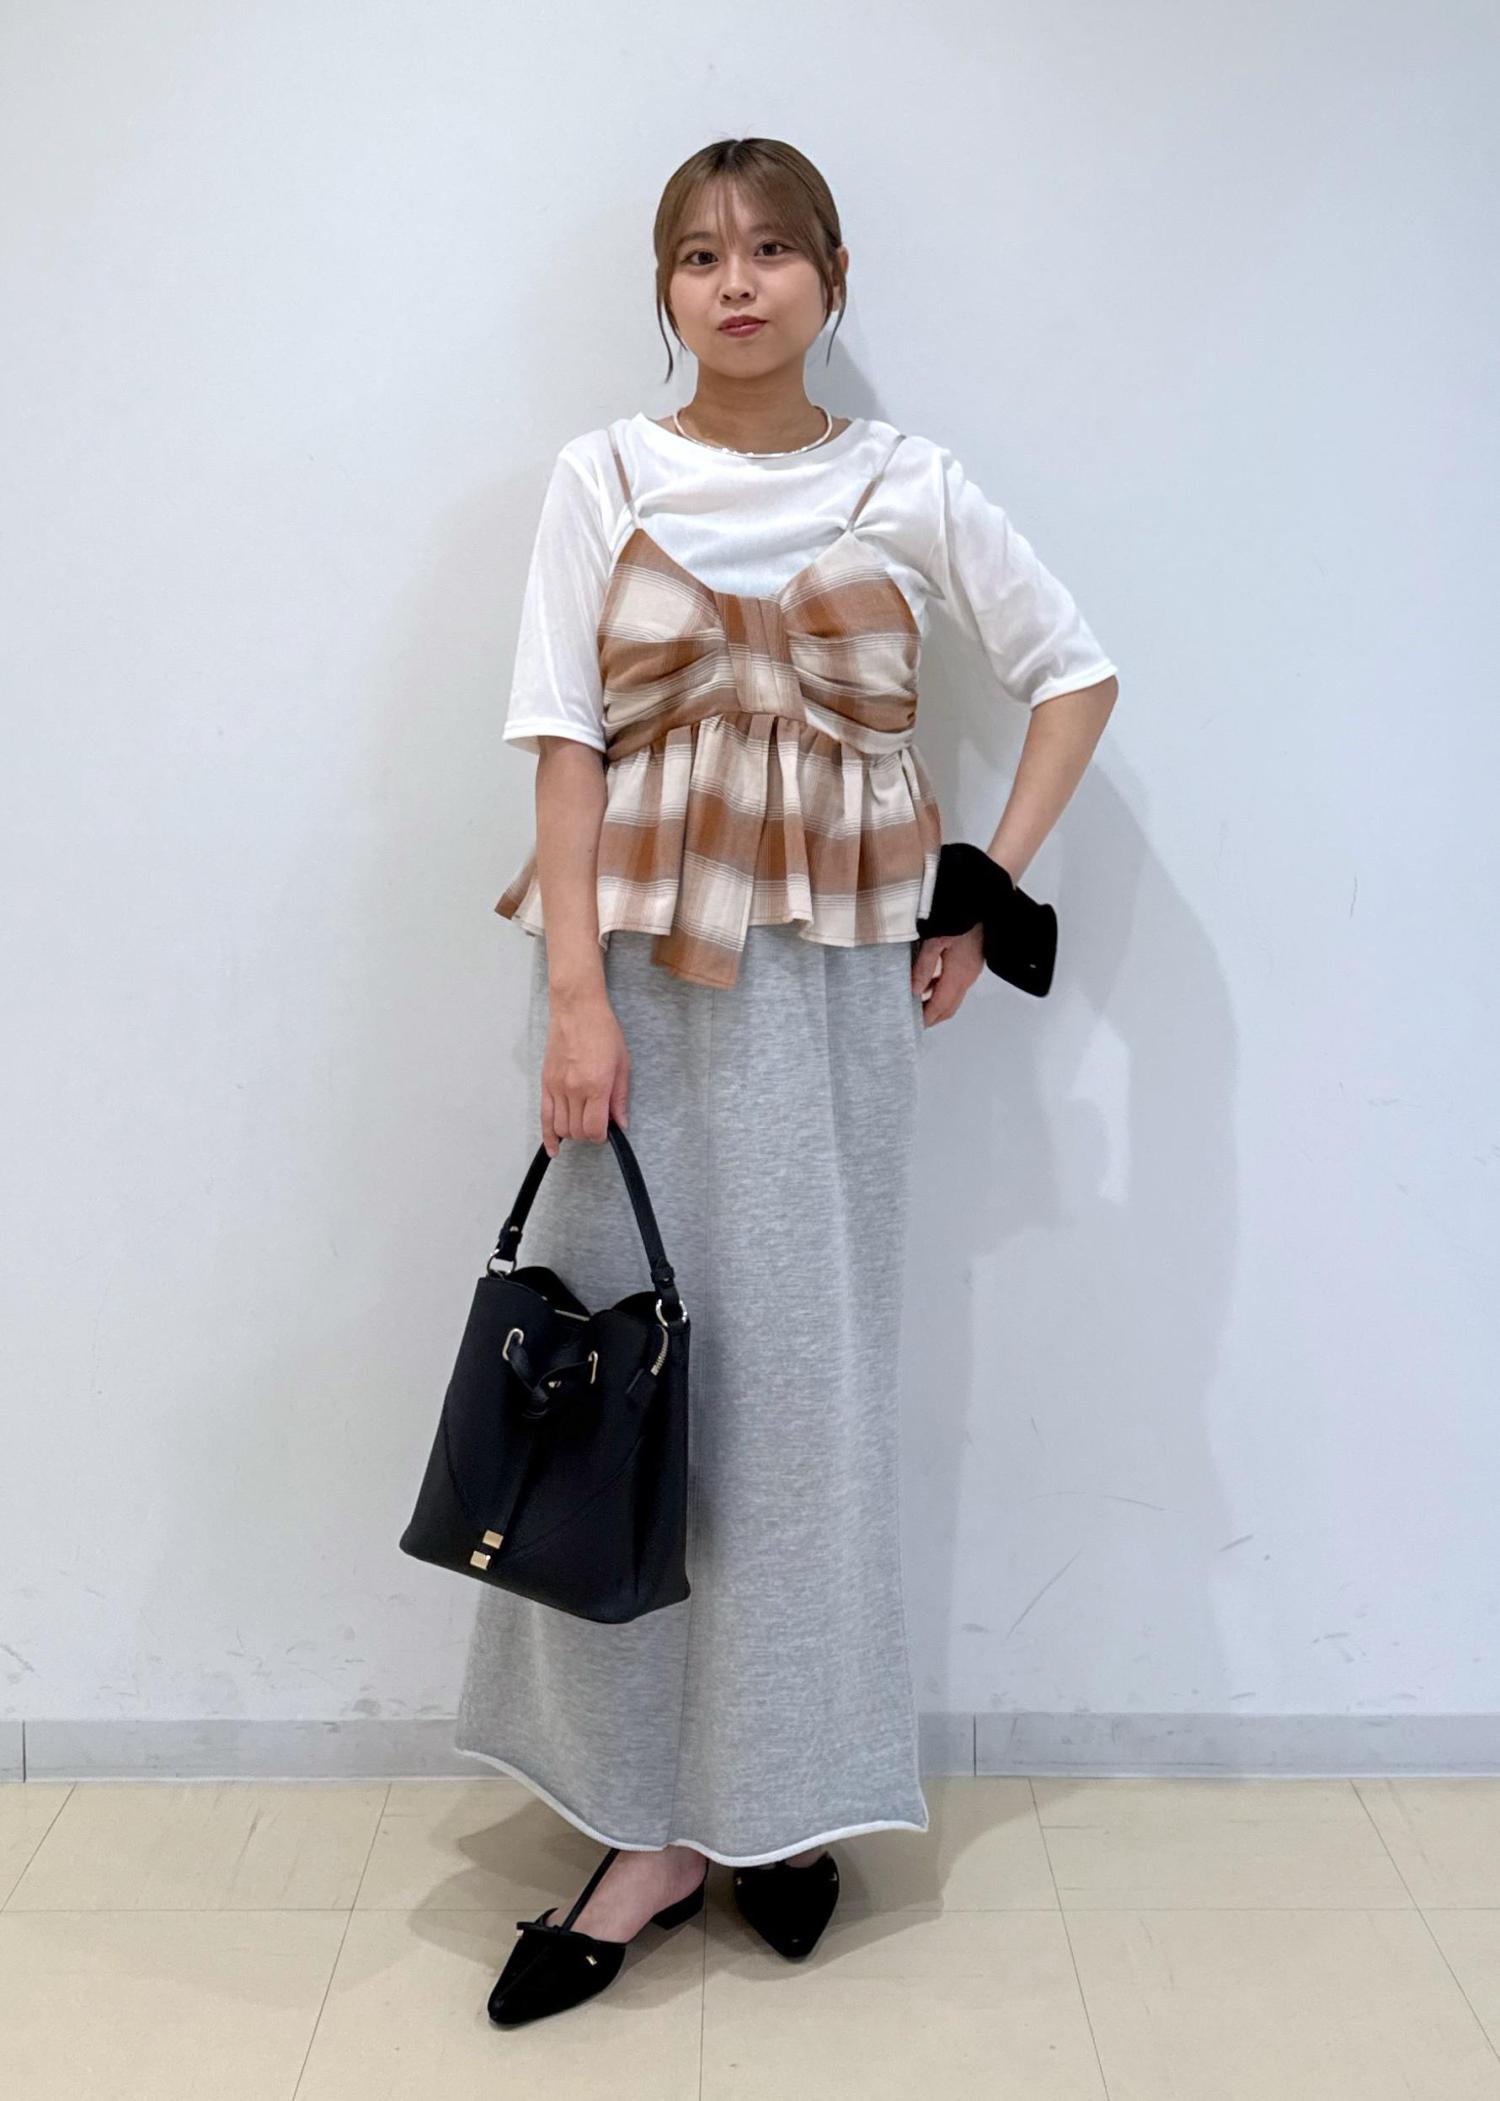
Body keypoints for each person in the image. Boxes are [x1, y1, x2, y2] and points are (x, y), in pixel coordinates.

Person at [458, 136, 1120, 2028]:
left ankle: (777, 1799)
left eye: (768, 250)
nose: (733, 283)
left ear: (832, 273)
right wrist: (573, 1001)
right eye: (697, 255)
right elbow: (563, 742)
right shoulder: (602, 475)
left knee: (802, 1405)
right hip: (637, 996)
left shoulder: (907, 483)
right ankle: (642, 1824)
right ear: (664, 290)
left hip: (833, 995)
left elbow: (1073, 671)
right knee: (628, 1395)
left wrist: (982, 888)